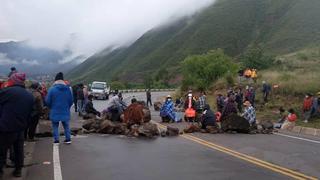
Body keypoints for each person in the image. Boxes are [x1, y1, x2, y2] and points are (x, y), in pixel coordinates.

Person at [0, 73, 34, 178]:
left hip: (6, 127)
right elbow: (30, 113)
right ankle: (18, 170)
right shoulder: (29, 95)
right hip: (20, 128)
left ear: (13, 81)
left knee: (1, 151)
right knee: (19, 150)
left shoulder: (6, 92)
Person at [46, 72, 73, 144]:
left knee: (55, 125)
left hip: (55, 110)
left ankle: (56, 140)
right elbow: (71, 101)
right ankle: (68, 139)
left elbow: (48, 101)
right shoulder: (68, 89)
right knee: (66, 125)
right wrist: (67, 107)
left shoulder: (52, 89)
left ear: (55, 80)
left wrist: (51, 107)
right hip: (65, 110)